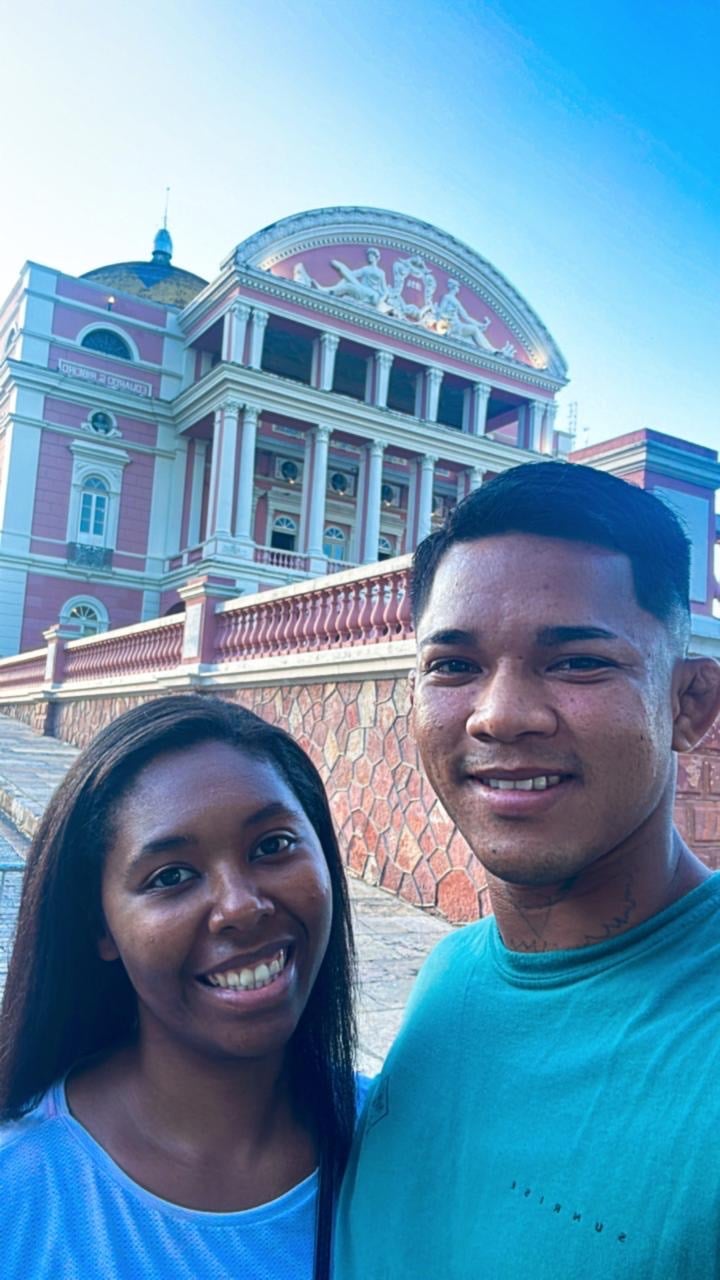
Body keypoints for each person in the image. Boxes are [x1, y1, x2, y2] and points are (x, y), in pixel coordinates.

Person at [336, 461, 720, 1279]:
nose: (500, 715)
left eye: (577, 662)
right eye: (453, 666)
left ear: (689, 704)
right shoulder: (449, 976)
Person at [0, 693, 360, 1279]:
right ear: (100, 927)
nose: (240, 907)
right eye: (171, 876)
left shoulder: (398, 1142)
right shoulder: (18, 1188)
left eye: (273, 845)